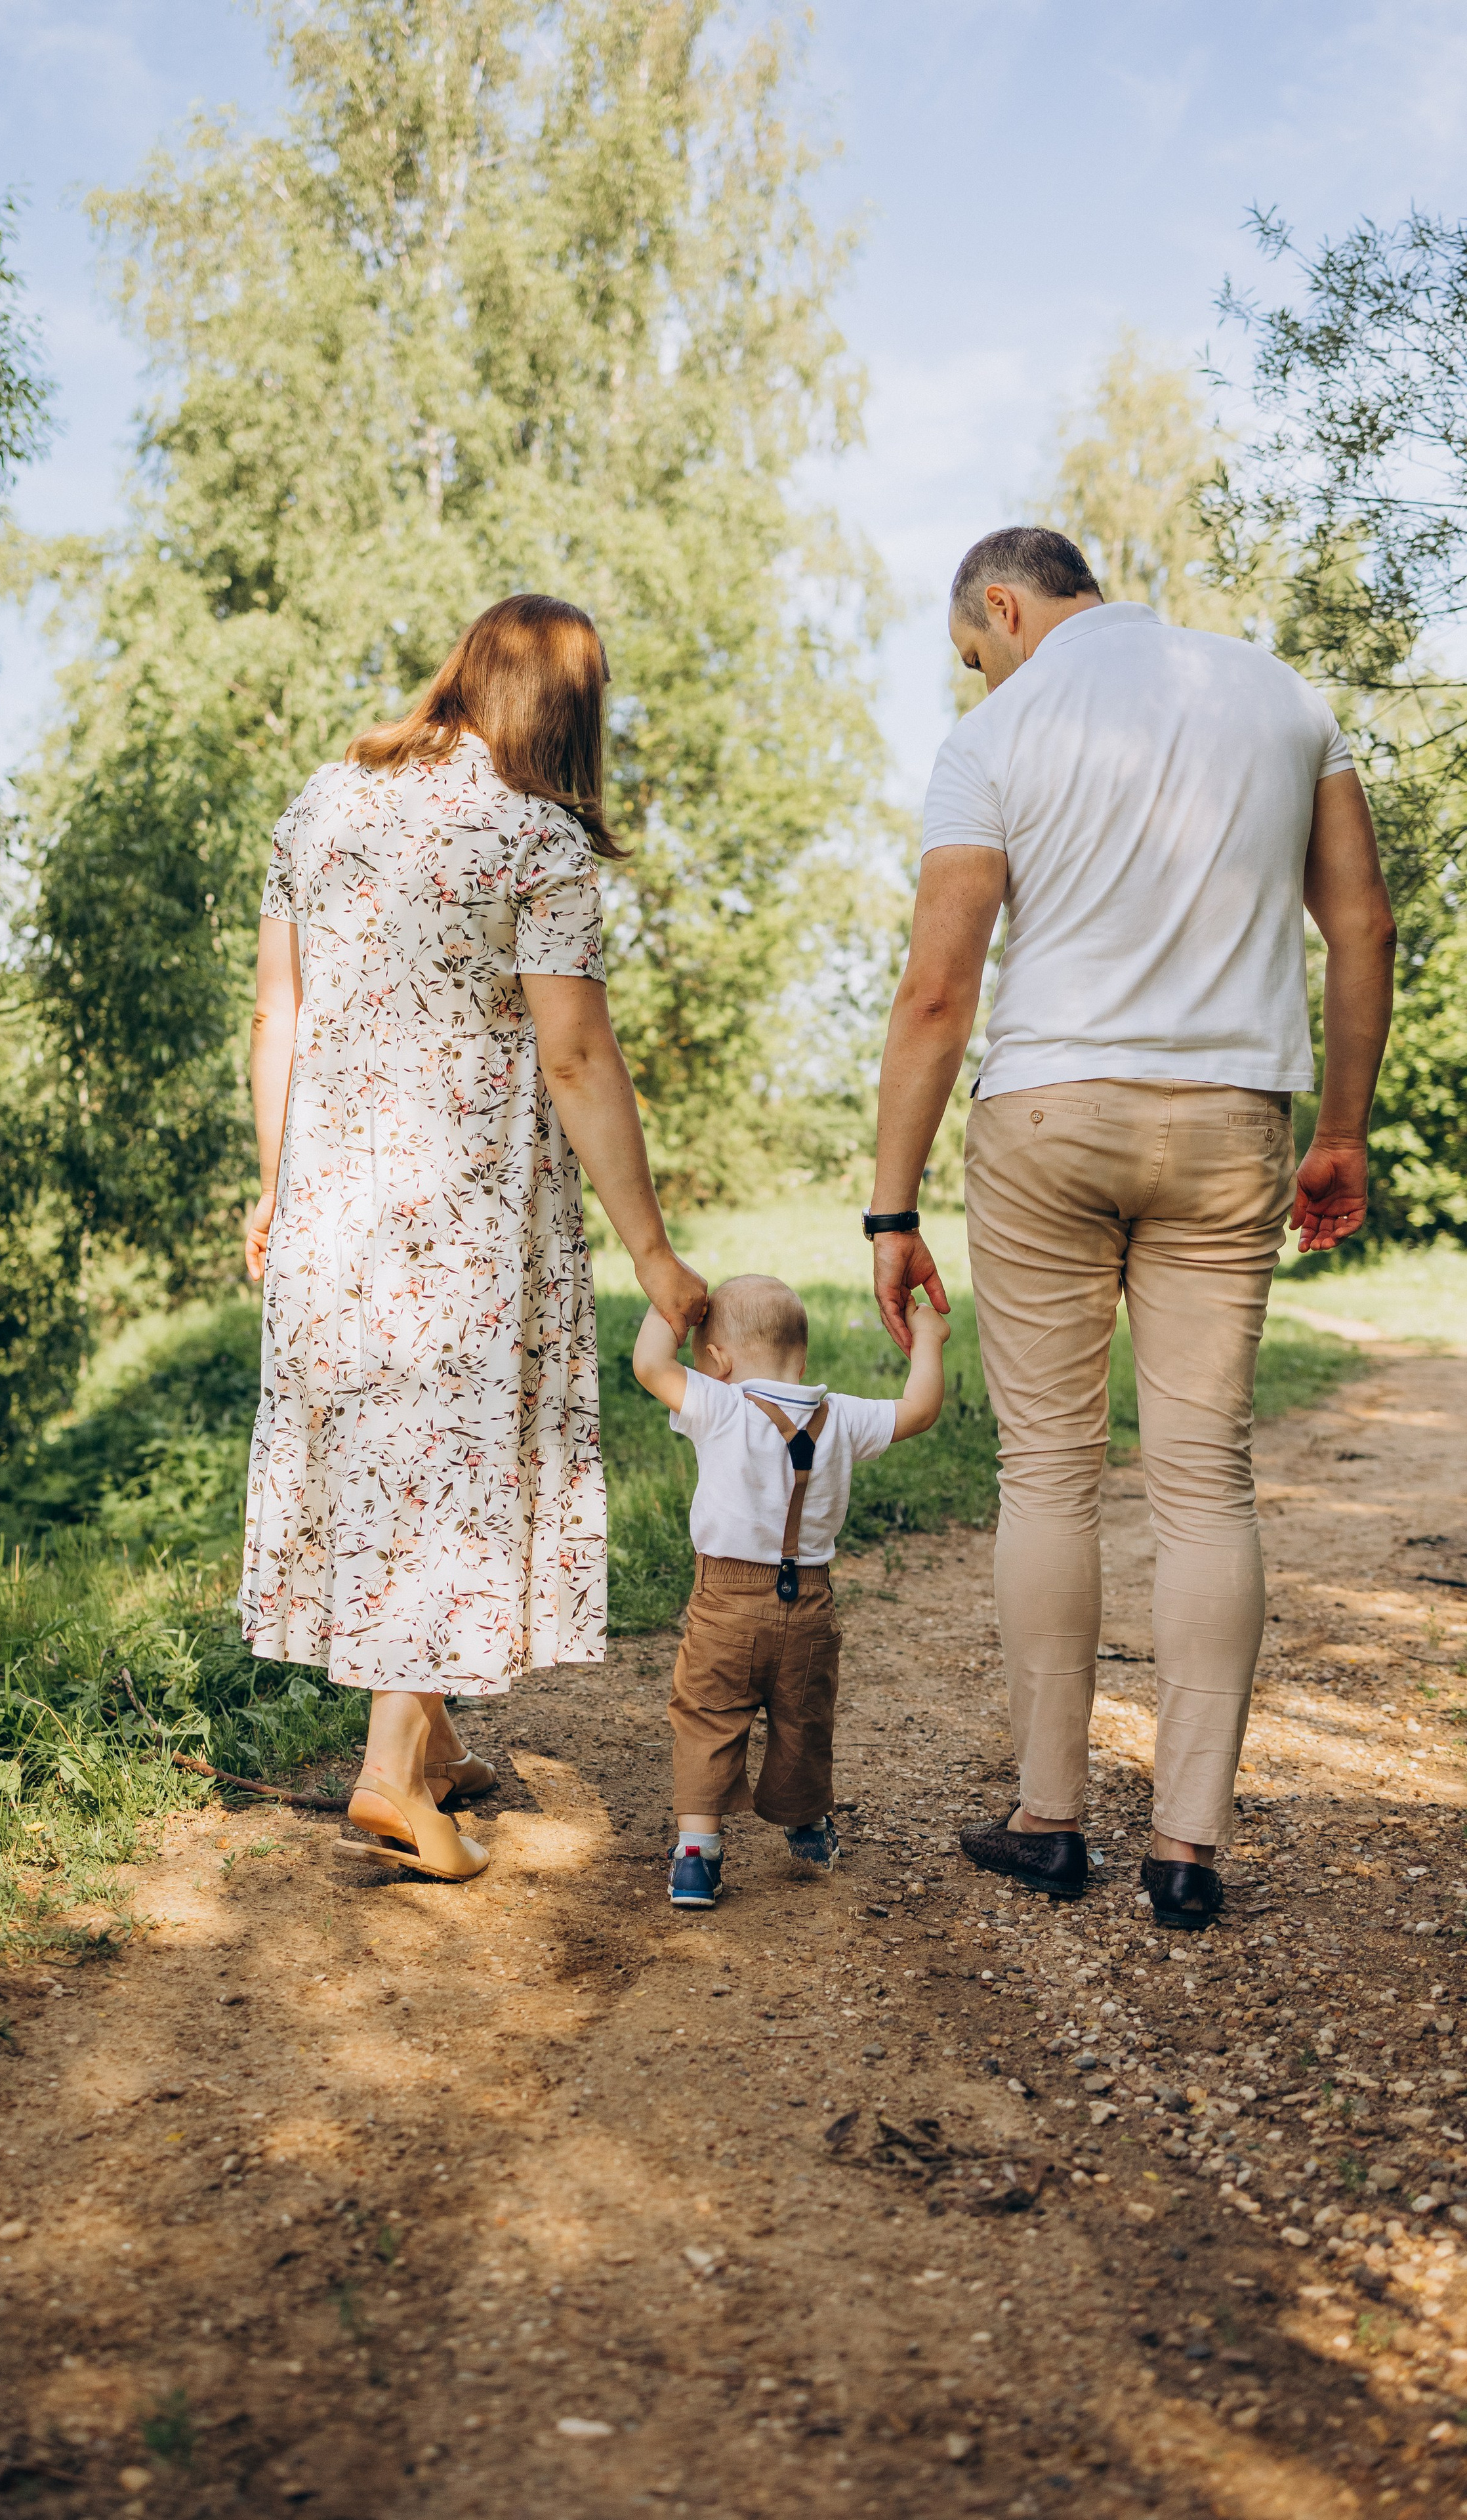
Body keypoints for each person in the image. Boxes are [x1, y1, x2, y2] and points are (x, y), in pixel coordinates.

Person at [869, 525, 1395, 1930]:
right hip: (1228, 1120)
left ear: (999, 604)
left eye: (972, 655)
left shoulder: (1000, 737)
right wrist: (1336, 1130)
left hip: (1044, 1116)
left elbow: (936, 991)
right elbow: (1360, 924)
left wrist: (889, 1203)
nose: (979, 678)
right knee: (1201, 1477)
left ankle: (1048, 1821)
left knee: (1047, 1471)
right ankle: (1185, 1848)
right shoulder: (1281, 698)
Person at [241, 593, 707, 1883]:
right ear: (570, 713)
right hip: (466, 1199)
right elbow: (571, 1051)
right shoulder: (531, 835)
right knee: (443, 1462)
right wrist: (651, 1247)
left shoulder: (325, 799)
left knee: (379, 1452)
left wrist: (279, 1187)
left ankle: (432, 1744)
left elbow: (278, 1016)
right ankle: (390, 1777)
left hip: (336, 1190)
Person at [632, 1272, 947, 1908]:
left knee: (709, 1717)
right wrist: (930, 1339)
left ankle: (696, 1856)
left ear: (717, 1360)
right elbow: (920, 1410)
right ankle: (807, 1827)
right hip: (809, 1604)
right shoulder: (843, 1416)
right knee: (802, 1718)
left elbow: (647, 1363)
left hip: (724, 1601)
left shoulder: (719, 1406)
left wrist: (671, 1306)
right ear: (802, 1353)